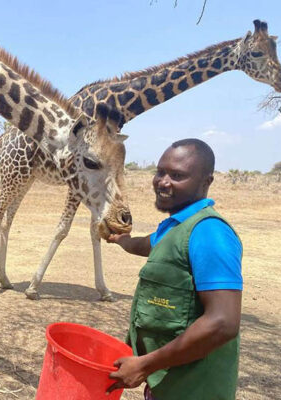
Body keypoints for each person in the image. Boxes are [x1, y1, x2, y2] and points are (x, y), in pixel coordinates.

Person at [106, 139, 243, 400]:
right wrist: (121, 240)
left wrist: (145, 365)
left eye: (177, 175)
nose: (163, 182)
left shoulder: (209, 232)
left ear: (206, 182)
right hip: (168, 383)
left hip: (195, 390)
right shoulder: (175, 227)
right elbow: (147, 244)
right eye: (160, 172)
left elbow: (223, 322)